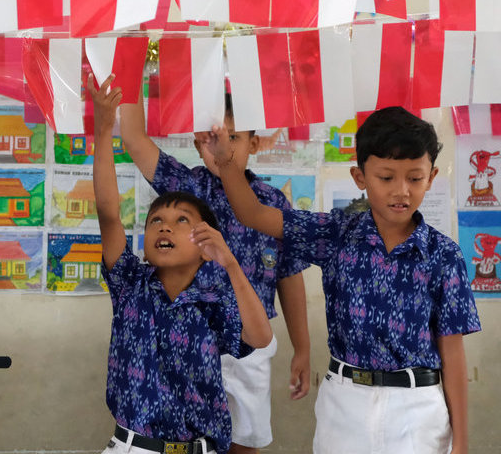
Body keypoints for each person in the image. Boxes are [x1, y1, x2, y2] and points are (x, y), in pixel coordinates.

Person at [205, 106, 481, 454]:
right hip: (345, 403)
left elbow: (452, 351)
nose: (401, 190)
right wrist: (227, 163)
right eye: (386, 177)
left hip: (419, 408)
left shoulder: (444, 254)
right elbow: (253, 213)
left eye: (414, 178)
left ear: (432, 176)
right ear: (359, 177)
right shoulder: (336, 233)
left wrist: (462, 443)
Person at [119, 94, 310, 453]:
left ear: (254, 143)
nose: (221, 144)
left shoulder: (273, 203)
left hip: (251, 344)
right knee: (188, 441)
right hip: (192, 338)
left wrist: (303, 347)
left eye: (233, 137)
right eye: (211, 138)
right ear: (197, 143)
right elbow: (134, 140)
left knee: (244, 443)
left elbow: (290, 275)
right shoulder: (188, 189)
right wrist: (131, 62)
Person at [92, 76, 272, 454]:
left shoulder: (214, 297)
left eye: (181, 222)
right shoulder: (130, 284)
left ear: (204, 239)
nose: (165, 227)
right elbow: (109, 213)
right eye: (156, 221)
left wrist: (231, 266)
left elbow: (260, 339)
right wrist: (103, 130)